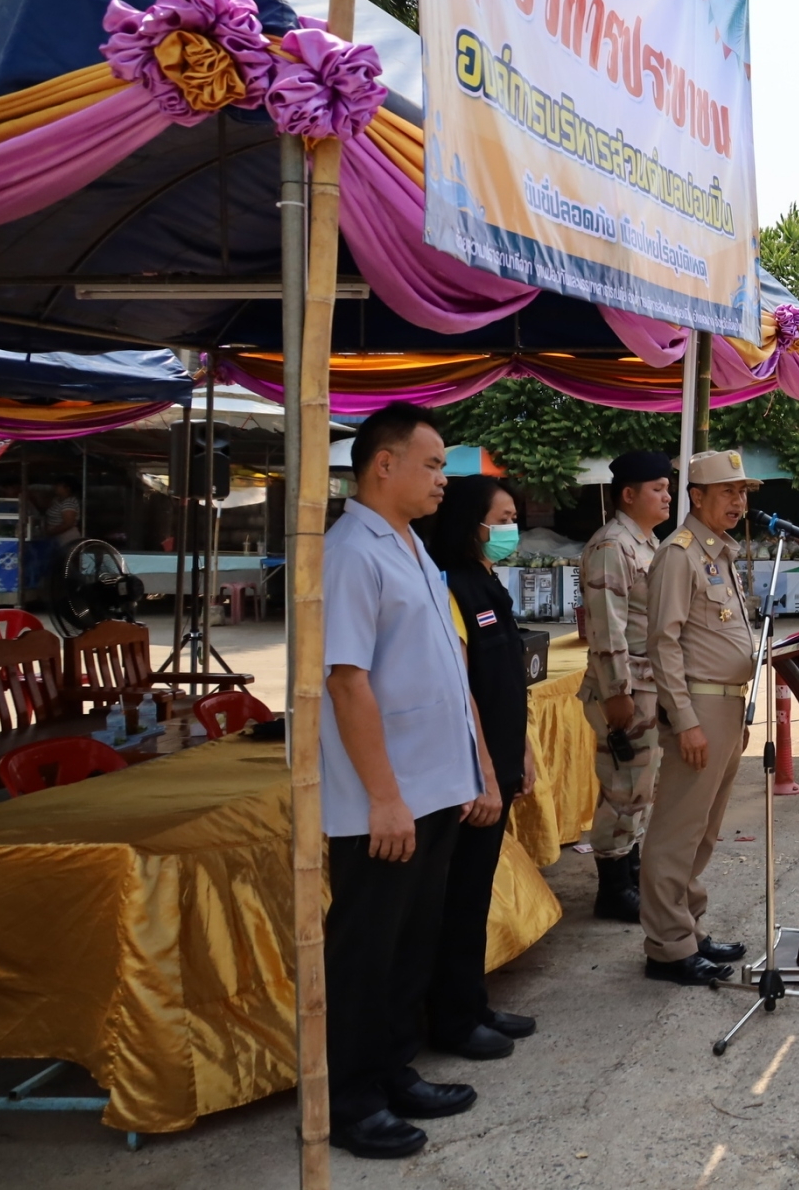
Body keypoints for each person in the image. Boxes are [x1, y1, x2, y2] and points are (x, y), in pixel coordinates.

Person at [320, 403, 496, 1159]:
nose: (443, 480)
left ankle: (393, 1067)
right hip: (382, 796)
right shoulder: (350, 551)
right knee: (365, 950)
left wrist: (472, 762)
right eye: (431, 465)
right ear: (382, 464)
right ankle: (352, 1099)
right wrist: (384, 795)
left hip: (433, 785)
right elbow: (347, 680)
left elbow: (443, 667)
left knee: (409, 943)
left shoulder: (411, 545)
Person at [424, 474, 539, 1061]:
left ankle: (471, 1001)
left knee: (476, 890)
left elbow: (506, 684)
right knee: (459, 894)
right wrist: (485, 772)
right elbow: (460, 690)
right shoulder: (451, 585)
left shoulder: (491, 584)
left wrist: (522, 751)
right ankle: (450, 1016)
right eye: (502, 517)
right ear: (473, 523)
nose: (509, 528)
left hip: (499, 758)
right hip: (471, 771)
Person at [639, 450, 760, 986]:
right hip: (699, 707)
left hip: (727, 706)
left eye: (742, 493)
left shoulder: (720, 554)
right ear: (697, 497)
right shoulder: (679, 555)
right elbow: (662, 643)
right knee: (677, 829)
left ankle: (687, 927)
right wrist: (684, 719)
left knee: (705, 829)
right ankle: (667, 947)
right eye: (728, 492)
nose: (738, 501)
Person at [577, 450, 674, 923]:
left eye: (668, 488)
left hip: (646, 685)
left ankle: (629, 872)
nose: (667, 496)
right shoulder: (612, 546)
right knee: (624, 786)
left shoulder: (646, 543)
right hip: (624, 689)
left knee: (640, 786)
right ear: (628, 494)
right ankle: (612, 888)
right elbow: (606, 628)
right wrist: (618, 693)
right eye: (657, 488)